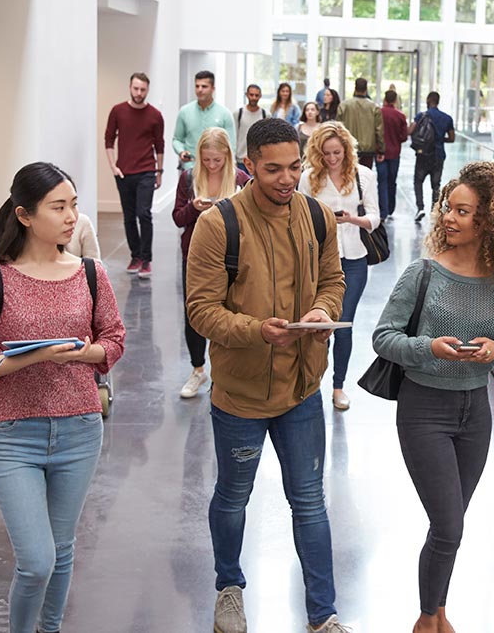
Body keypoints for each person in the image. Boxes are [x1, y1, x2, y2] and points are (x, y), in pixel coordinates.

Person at [372, 161, 494, 633]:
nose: (448, 218)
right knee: (449, 526)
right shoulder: (423, 273)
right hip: (423, 409)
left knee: (449, 527)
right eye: (448, 208)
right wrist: (427, 347)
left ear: (489, 220)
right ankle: (426, 619)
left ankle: (439, 611)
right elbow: (383, 337)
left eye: (462, 211)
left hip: (476, 414)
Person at [186, 119, 350, 633]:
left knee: (309, 501)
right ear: (250, 166)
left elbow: (333, 280)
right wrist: (258, 331)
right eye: (273, 169)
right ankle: (228, 589)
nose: (286, 178)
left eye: (294, 166)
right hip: (241, 394)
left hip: (302, 388)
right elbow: (201, 310)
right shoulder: (219, 224)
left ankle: (323, 616)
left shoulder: (318, 217)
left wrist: (323, 309)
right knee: (234, 496)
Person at [0, 161, 125, 633]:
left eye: (74, 204)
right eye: (59, 207)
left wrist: (79, 354)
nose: (72, 216)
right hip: (13, 432)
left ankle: (50, 628)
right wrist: (37, 358)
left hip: (79, 427)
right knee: (36, 561)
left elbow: (114, 341)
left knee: (62, 547)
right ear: (25, 215)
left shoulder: (91, 273)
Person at [299, 121, 378, 411]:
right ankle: (311, 383)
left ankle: (338, 386)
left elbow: (374, 217)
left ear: (346, 149)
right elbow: (300, 217)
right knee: (318, 324)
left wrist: (351, 219)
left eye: (337, 153)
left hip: (355, 259)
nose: (332, 159)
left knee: (343, 325)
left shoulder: (364, 176)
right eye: (326, 153)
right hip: (319, 259)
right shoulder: (308, 178)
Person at [173, 128, 250, 399]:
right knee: (194, 313)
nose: (211, 165)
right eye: (206, 160)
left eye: (217, 160)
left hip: (233, 255)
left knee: (230, 312)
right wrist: (194, 207)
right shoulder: (188, 178)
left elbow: (254, 218)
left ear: (227, 156)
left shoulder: (241, 179)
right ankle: (197, 369)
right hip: (195, 255)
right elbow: (178, 219)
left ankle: (223, 371)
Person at [104, 71, 165, 278]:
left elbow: (160, 144)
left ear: (148, 90)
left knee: (143, 214)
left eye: (143, 89)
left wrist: (159, 171)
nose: (139, 93)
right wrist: (114, 166)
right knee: (129, 217)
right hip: (124, 172)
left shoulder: (155, 115)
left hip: (147, 170)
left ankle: (146, 259)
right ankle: (135, 256)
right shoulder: (118, 111)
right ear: (130, 87)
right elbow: (108, 139)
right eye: (136, 88)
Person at [173, 70, 236, 171]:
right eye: (197, 86)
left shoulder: (224, 114)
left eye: (204, 86)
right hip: (191, 168)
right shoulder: (184, 111)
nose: (200, 90)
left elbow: (231, 145)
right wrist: (181, 151)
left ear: (213, 88)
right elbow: (177, 139)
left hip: (216, 170)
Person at [409, 91, 455, 223]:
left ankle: (420, 208)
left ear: (428, 101)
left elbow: (410, 131)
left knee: (418, 181)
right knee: (436, 185)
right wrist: (439, 140)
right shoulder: (447, 118)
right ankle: (434, 211)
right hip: (438, 155)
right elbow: (452, 138)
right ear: (438, 101)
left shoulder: (421, 116)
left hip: (423, 154)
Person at [336, 77, 384, 168]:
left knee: (348, 175)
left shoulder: (344, 106)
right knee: (365, 178)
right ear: (366, 89)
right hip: (368, 149)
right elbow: (379, 130)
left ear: (355, 88)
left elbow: (338, 127)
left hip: (348, 146)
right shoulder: (374, 107)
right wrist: (381, 150)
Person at [376, 88, 408, 220]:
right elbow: (404, 137)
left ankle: (382, 210)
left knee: (382, 181)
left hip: (380, 152)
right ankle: (390, 208)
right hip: (395, 153)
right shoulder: (400, 116)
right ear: (395, 100)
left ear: (384, 99)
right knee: (392, 180)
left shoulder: (379, 113)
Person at [235, 84, 267, 174]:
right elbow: (234, 136)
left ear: (260, 96)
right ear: (246, 95)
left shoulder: (265, 114)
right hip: (240, 159)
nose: (253, 98)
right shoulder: (238, 113)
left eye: (256, 95)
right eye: (251, 95)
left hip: (258, 159)